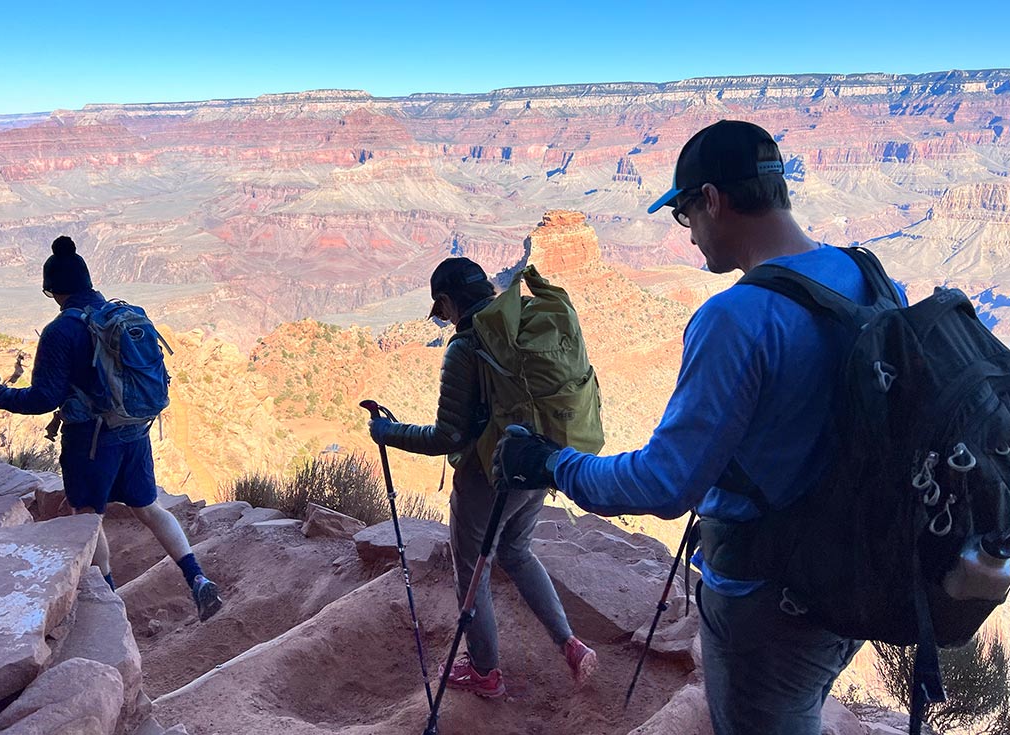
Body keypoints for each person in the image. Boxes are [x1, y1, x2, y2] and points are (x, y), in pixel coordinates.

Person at [493, 120, 900, 734]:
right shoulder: (870, 276)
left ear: (712, 199)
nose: (688, 239)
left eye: (684, 214)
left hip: (771, 601)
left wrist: (551, 462)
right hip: (856, 573)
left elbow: (664, 484)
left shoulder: (737, 317)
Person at [368, 257, 598, 698]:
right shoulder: (514, 329)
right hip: (536, 461)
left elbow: (447, 436)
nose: (443, 318)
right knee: (517, 552)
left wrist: (387, 433)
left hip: (487, 477)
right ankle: (569, 642)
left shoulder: (467, 347)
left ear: (449, 301)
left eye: (441, 310)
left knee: (473, 569)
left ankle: (485, 673)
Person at [0, 235, 223, 621]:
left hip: (91, 442)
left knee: (88, 516)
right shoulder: (117, 315)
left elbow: (43, 398)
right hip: (135, 431)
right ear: (89, 283)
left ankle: (110, 608)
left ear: (52, 290)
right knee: (148, 507)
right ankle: (198, 579)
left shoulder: (61, 331)